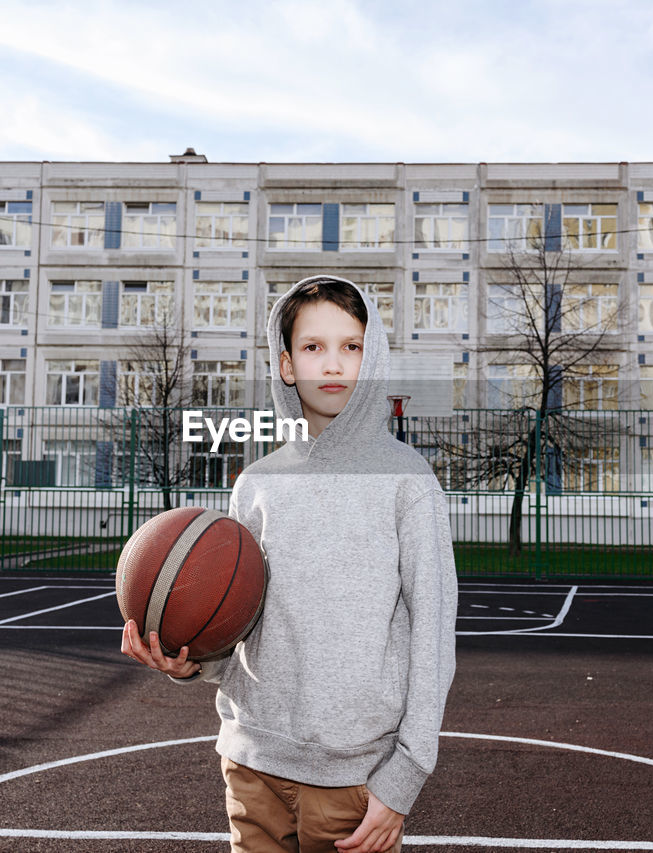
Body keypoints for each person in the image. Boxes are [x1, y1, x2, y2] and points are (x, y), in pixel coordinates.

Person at [122, 274, 458, 853]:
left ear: (371, 356)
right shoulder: (257, 483)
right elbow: (241, 620)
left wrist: (403, 778)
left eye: (350, 346)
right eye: (313, 347)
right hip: (252, 762)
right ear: (285, 364)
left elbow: (433, 633)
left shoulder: (408, 481)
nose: (333, 364)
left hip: (353, 778)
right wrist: (192, 664)